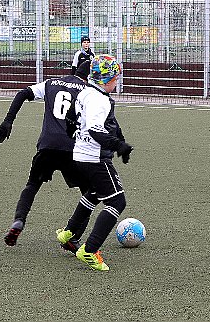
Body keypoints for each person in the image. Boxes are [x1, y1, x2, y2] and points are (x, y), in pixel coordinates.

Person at [0, 61, 92, 251]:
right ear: (89, 77)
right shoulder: (89, 91)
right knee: (90, 193)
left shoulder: (51, 83)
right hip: (72, 149)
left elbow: (22, 93)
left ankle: (19, 221)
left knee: (32, 185)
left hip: (47, 147)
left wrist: (8, 122)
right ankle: (72, 237)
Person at [55, 54, 133, 271]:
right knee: (117, 202)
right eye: (116, 78)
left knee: (94, 192)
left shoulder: (85, 92)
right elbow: (96, 129)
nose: (117, 82)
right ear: (107, 80)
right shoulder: (100, 100)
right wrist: (119, 146)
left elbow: (71, 118)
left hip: (80, 155)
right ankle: (90, 250)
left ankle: (68, 232)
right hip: (94, 158)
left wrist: (75, 134)